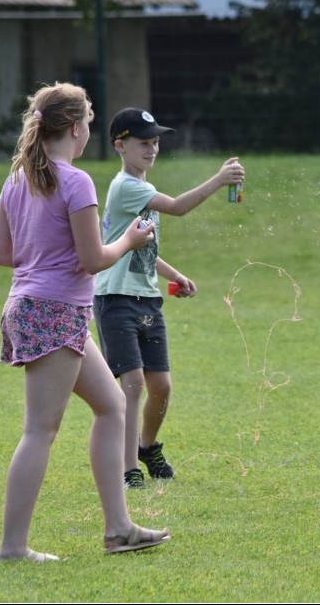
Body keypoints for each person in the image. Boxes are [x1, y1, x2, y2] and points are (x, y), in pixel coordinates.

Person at [0, 82, 171, 561]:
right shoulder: (75, 181)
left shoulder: (18, 178)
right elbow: (94, 259)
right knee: (39, 432)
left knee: (112, 406)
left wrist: (44, 259)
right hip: (53, 310)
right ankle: (12, 548)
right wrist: (129, 242)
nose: (89, 131)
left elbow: (0, 253)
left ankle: (119, 529)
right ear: (75, 127)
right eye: (89, 124)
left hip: (38, 308)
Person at [94, 108, 246, 489]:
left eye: (156, 141)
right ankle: (128, 468)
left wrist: (174, 274)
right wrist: (219, 179)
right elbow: (178, 207)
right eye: (144, 142)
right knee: (133, 384)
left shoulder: (141, 191)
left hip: (146, 298)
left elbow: (138, 248)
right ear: (120, 145)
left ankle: (147, 447)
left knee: (160, 385)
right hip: (115, 298)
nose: (153, 148)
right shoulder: (126, 187)